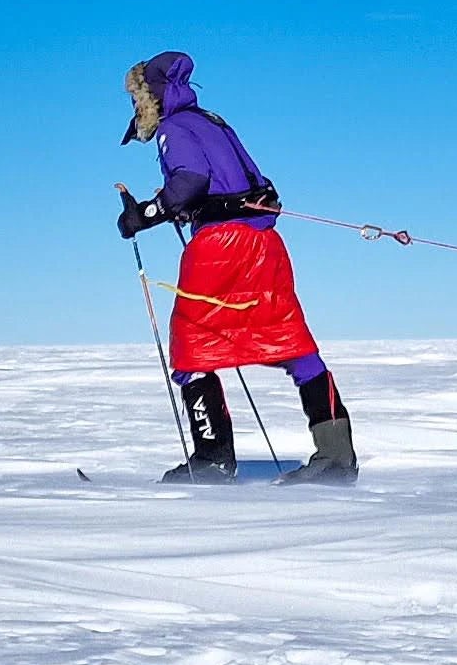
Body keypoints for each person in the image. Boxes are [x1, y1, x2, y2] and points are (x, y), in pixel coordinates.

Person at [115, 52, 357, 481]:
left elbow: (190, 182)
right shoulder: (214, 122)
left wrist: (146, 214)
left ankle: (213, 459)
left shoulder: (174, 128)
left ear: (151, 94)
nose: (135, 108)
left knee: (192, 346)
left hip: (219, 248)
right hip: (265, 245)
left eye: (137, 97)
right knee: (291, 342)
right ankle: (337, 457)